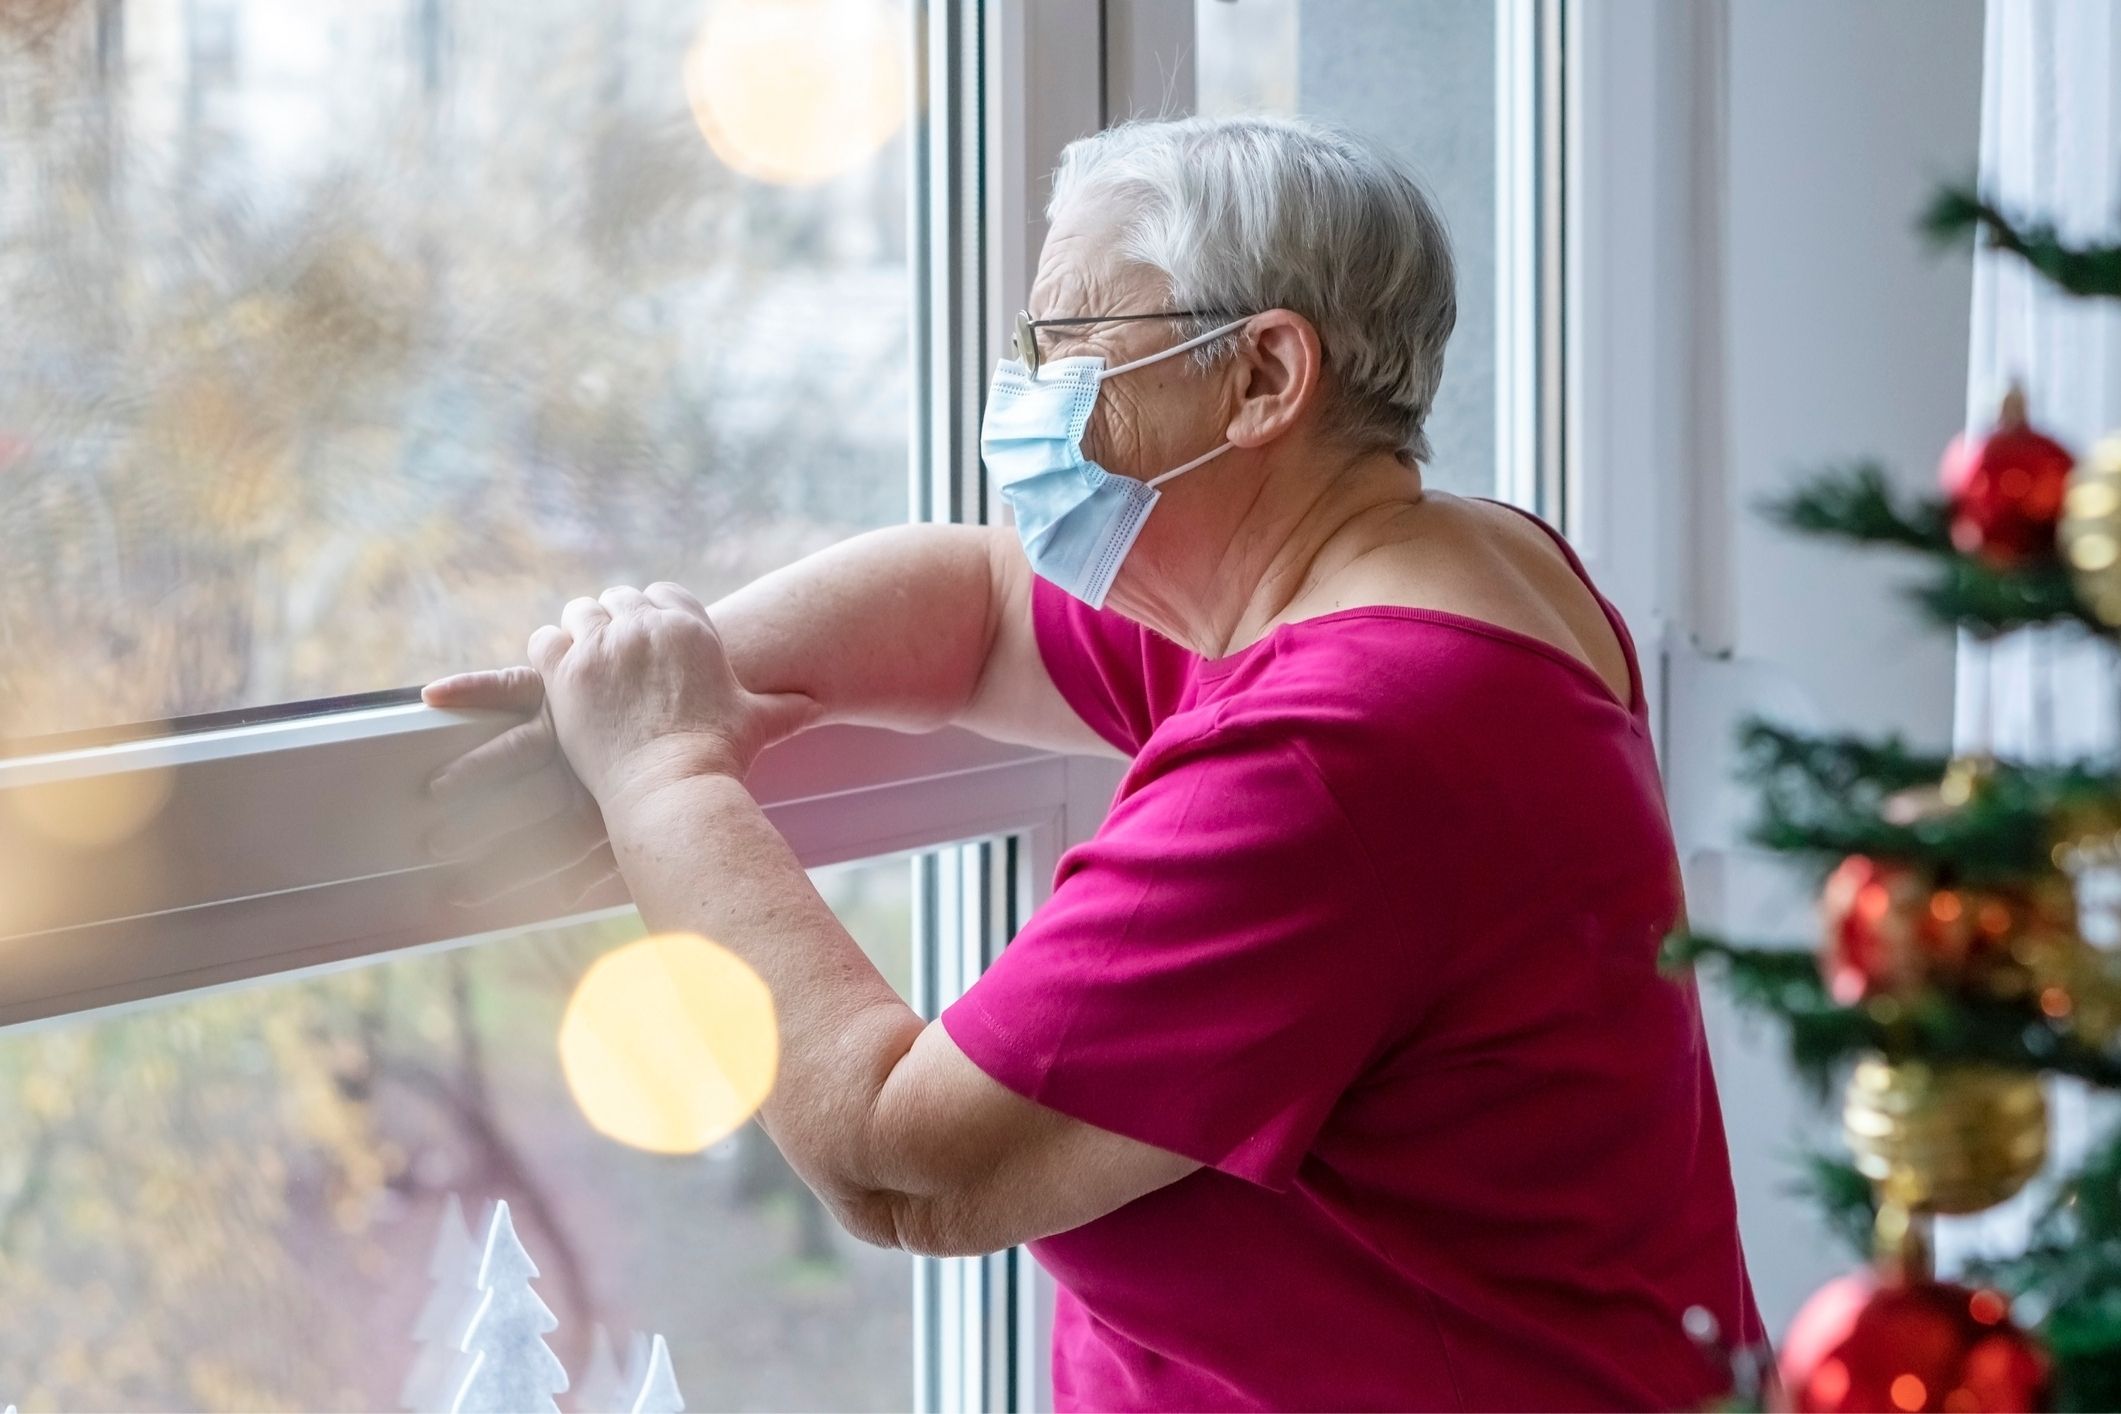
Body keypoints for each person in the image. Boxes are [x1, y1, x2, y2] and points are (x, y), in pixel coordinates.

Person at [425, 115, 1763, 1412]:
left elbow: (902, 1164)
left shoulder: (1335, 749)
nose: (1026, 393)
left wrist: (667, 777)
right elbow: (982, 606)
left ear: (1262, 377)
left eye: (1064, 342)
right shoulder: (1469, 572)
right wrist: (656, 681)